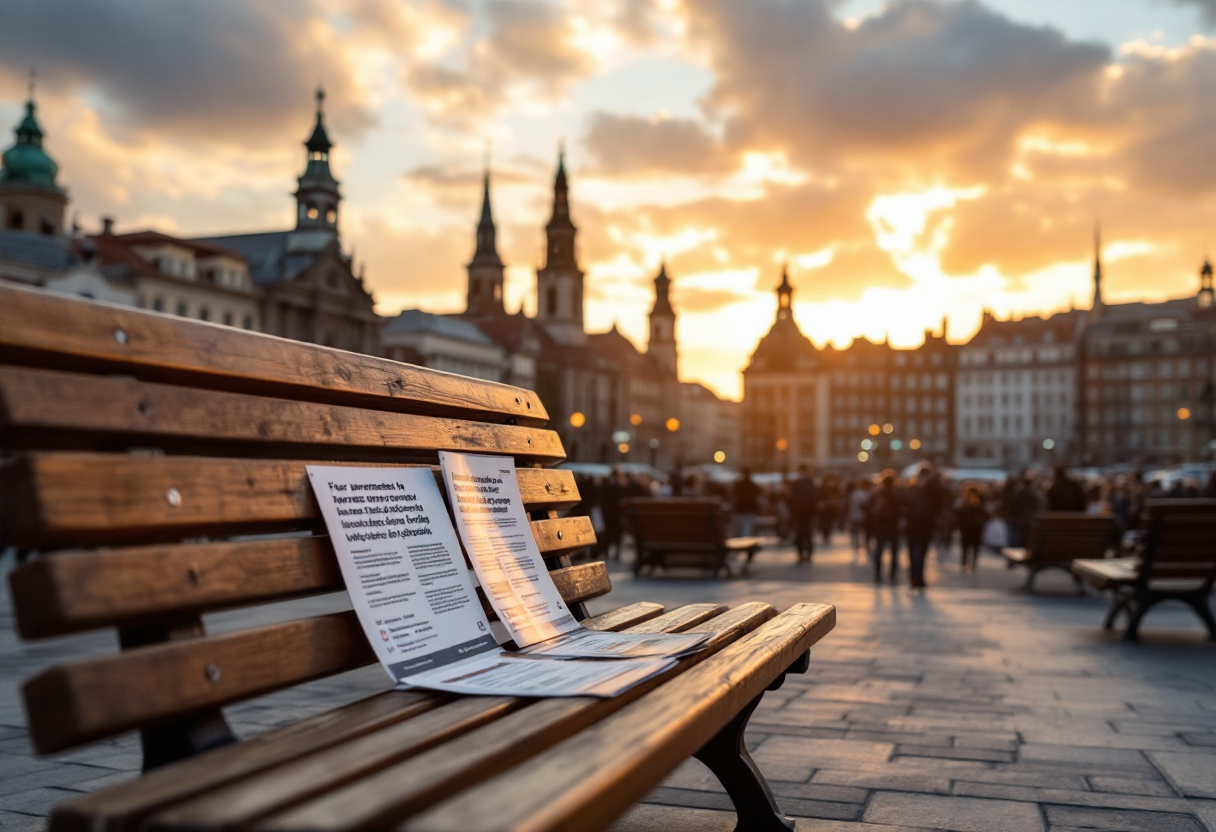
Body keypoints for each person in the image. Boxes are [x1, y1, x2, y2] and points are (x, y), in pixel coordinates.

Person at [904, 464, 948, 589]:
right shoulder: (933, 488)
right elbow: (944, 497)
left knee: (913, 552)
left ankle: (914, 578)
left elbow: (904, 504)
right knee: (922, 552)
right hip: (926, 524)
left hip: (912, 524)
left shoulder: (912, 487)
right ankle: (919, 578)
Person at [867, 471, 902, 585]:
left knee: (879, 551)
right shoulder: (897, 494)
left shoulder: (877, 494)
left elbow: (870, 509)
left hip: (881, 526)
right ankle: (892, 574)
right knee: (894, 552)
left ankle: (878, 574)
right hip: (893, 526)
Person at [955, 484, 988, 573]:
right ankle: (973, 564)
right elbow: (985, 514)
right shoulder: (980, 501)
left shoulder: (963, 501)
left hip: (966, 527)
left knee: (965, 547)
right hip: (976, 527)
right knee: (975, 547)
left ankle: (964, 563)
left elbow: (958, 514)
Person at [789, 465, 818, 564]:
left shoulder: (796, 483)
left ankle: (801, 555)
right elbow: (814, 498)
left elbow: (791, 498)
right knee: (808, 534)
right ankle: (808, 555)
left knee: (800, 534)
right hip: (808, 514)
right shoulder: (810, 482)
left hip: (798, 513)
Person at [733, 468, 761, 537]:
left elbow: (735, 494)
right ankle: (747, 540)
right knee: (748, 526)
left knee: (741, 525)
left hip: (741, 507)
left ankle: (743, 539)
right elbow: (757, 495)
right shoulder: (752, 485)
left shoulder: (739, 484)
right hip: (750, 507)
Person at [847, 479, 871, 560]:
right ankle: (866, 546)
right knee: (864, 532)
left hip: (854, 515)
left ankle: (856, 546)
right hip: (863, 516)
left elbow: (849, 505)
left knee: (855, 532)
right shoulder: (865, 494)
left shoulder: (854, 494)